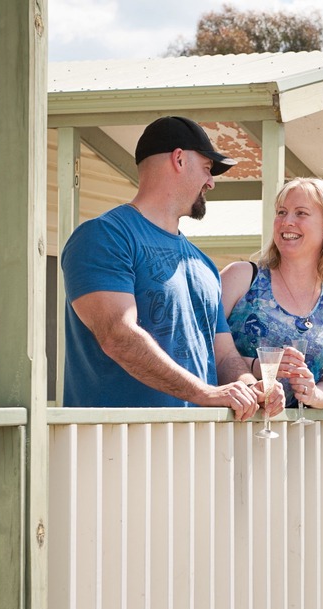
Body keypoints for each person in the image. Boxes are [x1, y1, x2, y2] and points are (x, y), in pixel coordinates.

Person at [61, 115, 276, 419]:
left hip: (193, 444)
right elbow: (117, 336)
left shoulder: (202, 264)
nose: (211, 182)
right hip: (114, 448)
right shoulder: (104, 237)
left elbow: (224, 354)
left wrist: (250, 387)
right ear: (178, 159)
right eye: (207, 169)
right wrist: (204, 393)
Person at [222, 177, 323, 409]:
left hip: (298, 440)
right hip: (231, 433)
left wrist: (314, 394)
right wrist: (260, 366)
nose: (287, 222)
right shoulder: (241, 278)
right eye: (281, 212)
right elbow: (202, 353)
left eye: (301, 213)